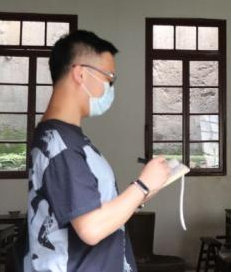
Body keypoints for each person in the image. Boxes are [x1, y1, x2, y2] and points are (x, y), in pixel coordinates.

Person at [23, 30, 170, 272]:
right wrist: (143, 185)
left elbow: (94, 208)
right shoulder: (60, 145)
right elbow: (91, 228)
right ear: (81, 74)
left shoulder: (66, 138)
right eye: (109, 77)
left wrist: (144, 191)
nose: (110, 87)